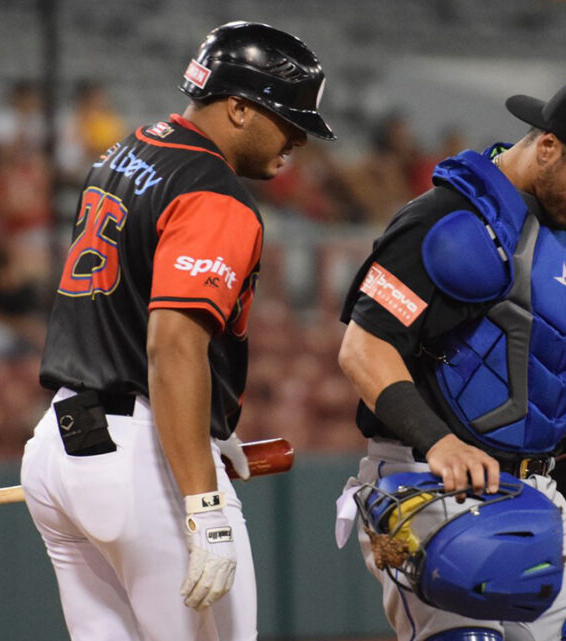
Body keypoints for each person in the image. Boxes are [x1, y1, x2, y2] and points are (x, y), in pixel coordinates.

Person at [20, 21, 334, 641]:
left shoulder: (129, 148)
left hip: (60, 447)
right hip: (141, 461)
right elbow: (172, 346)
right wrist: (202, 500)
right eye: (287, 118)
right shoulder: (214, 193)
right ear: (239, 109)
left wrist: (207, 426)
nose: (298, 137)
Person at [336, 74, 566, 641]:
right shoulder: (441, 219)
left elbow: (539, 381)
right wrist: (438, 441)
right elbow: (363, 347)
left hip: (538, 491)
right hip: (429, 482)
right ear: (548, 146)